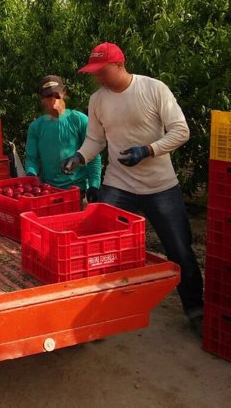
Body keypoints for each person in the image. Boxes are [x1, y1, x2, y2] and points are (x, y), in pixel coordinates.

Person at [61, 43, 204, 333]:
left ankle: (195, 308)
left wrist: (149, 150)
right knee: (101, 244)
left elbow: (181, 131)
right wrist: (80, 156)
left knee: (178, 249)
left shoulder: (153, 89)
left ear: (118, 65)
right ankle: (100, 313)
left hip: (160, 185)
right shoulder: (98, 99)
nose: (98, 78)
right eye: (94, 74)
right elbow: (96, 140)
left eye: (101, 72)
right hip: (119, 184)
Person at [25, 75, 101, 203]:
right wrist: (31, 176)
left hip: (78, 191)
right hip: (48, 192)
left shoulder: (79, 120)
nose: (53, 100)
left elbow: (93, 155)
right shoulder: (36, 127)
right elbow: (31, 158)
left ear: (64, 93)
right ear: (42, 99)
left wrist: (94, 185)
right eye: (48, 96)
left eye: (56, 95)